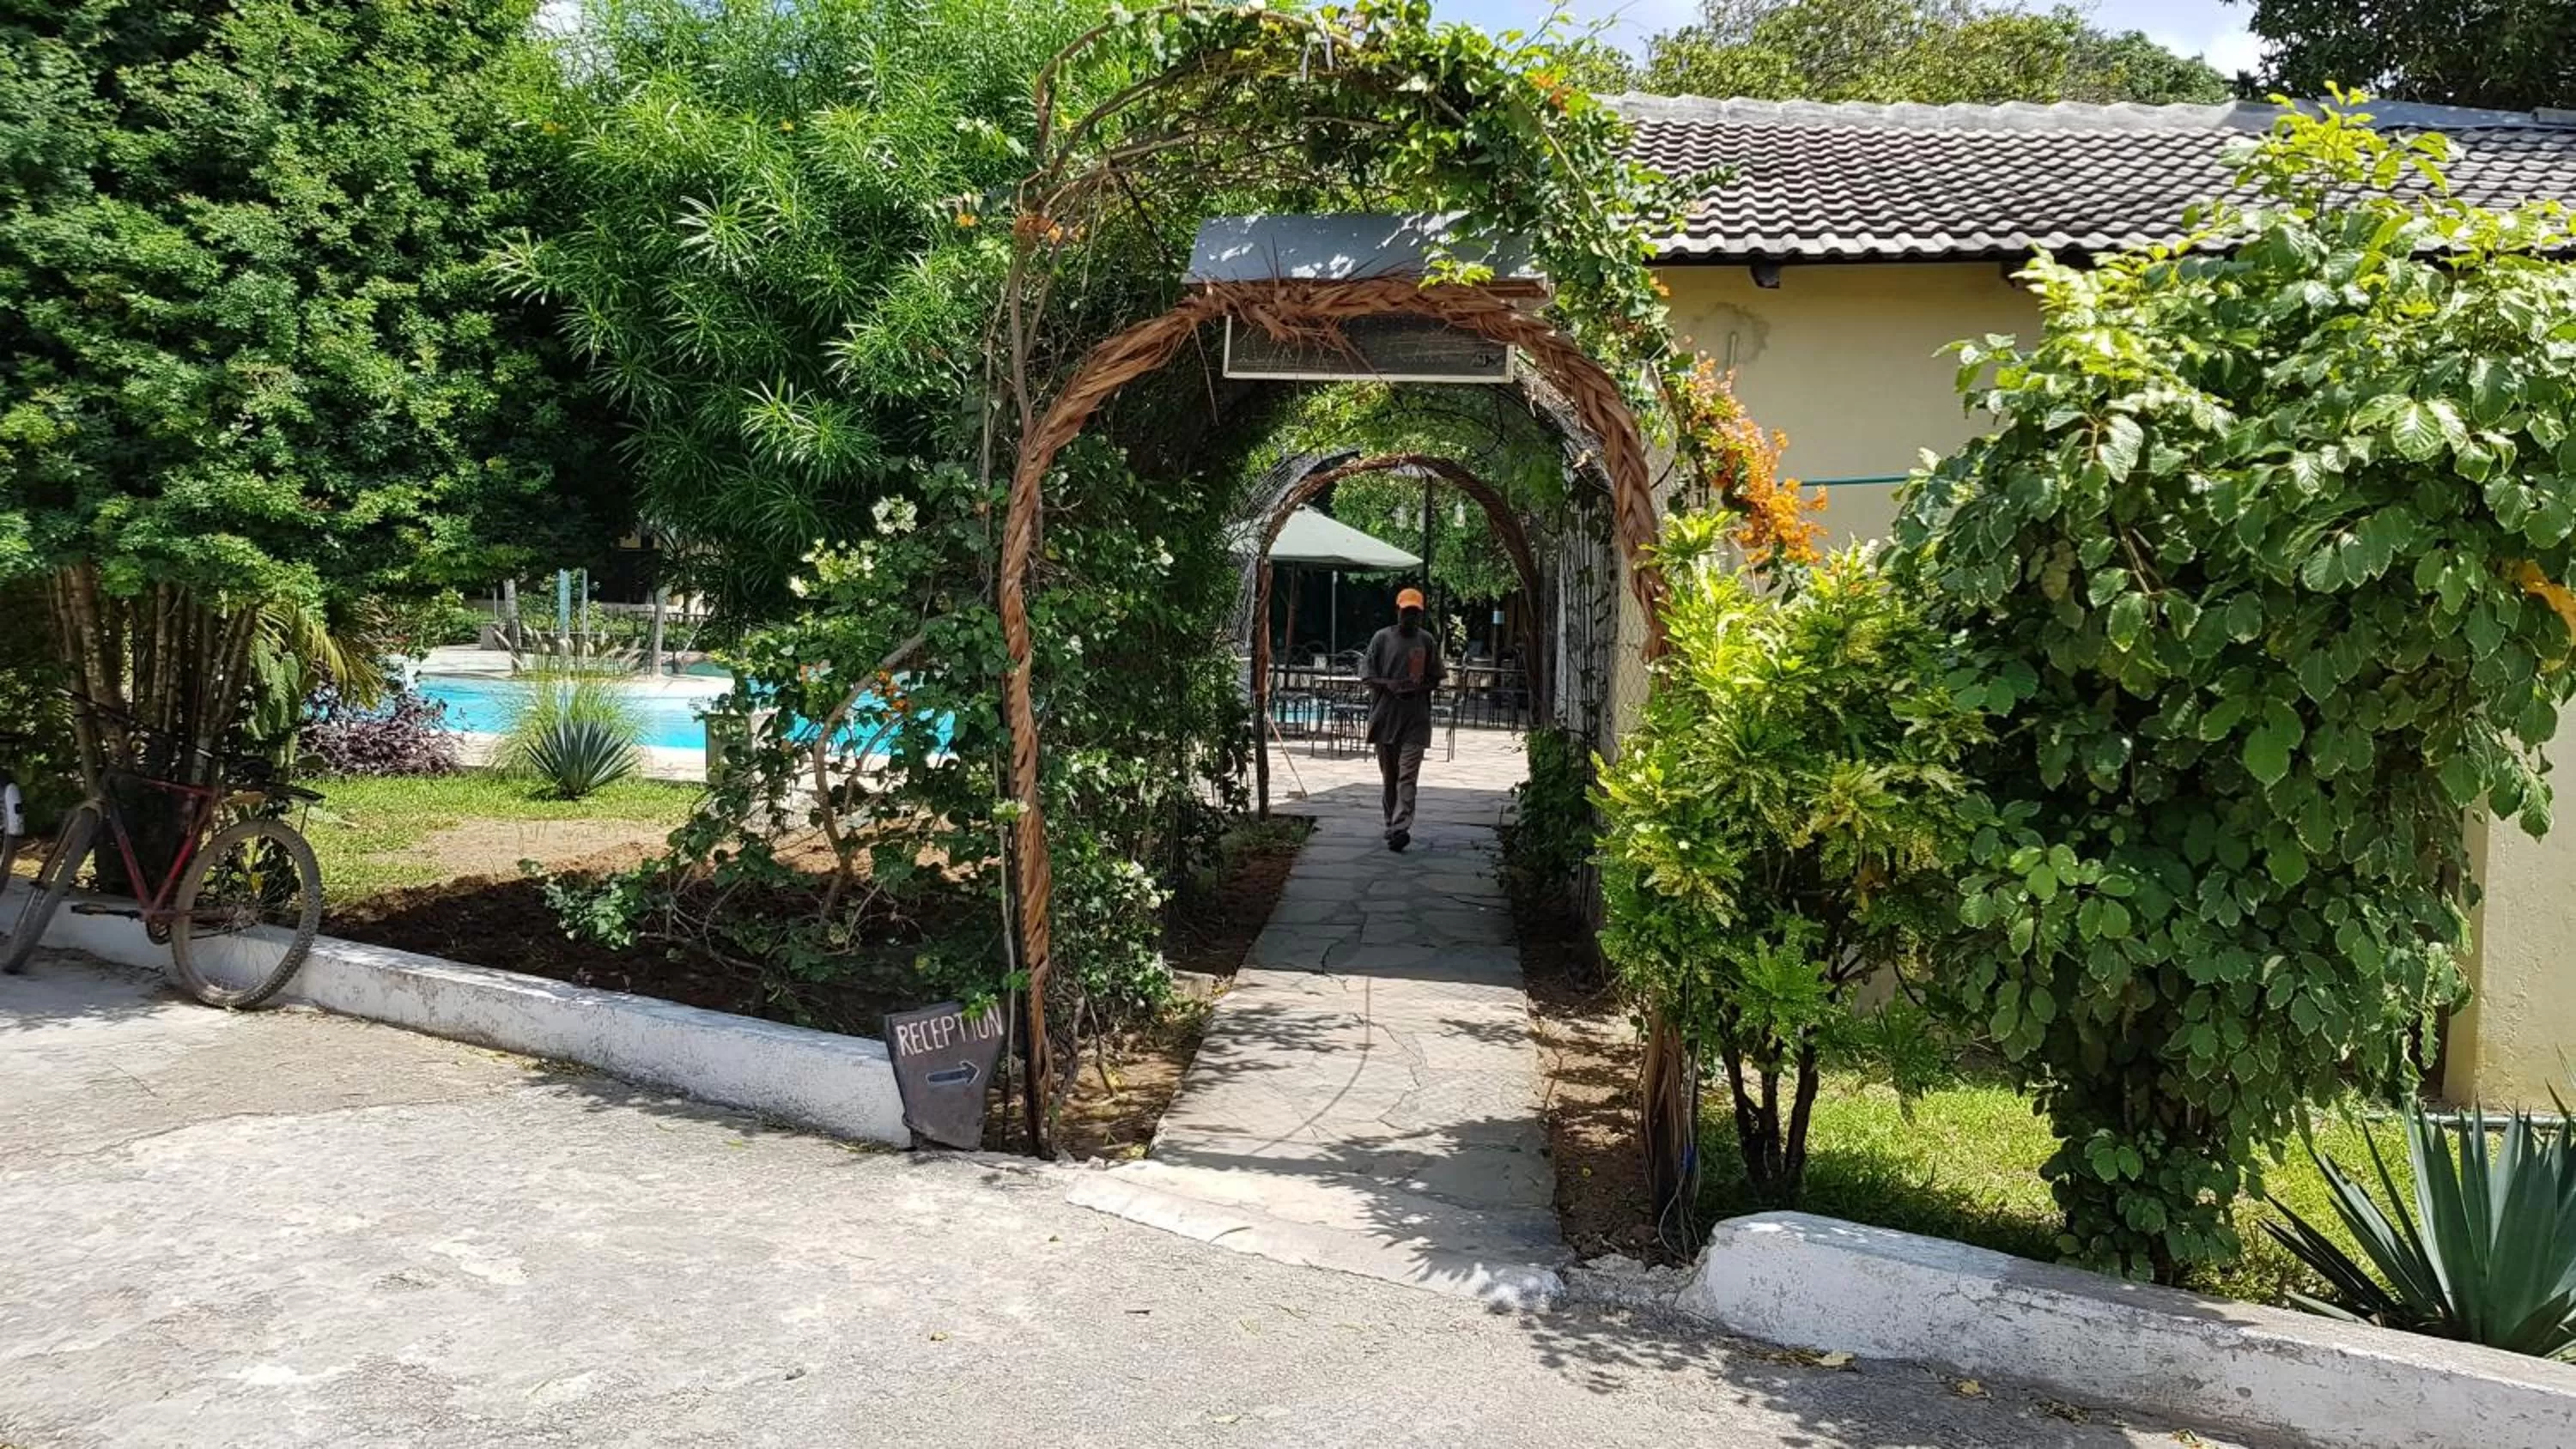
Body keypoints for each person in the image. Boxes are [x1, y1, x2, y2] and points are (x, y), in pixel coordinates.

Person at [1361, 586, 1444, 852]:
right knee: (1390, 778)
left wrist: (1417, 688)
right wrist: (1389, 685)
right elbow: (1367, 676)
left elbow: (1435, 678)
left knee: (1407, 776)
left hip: (1416, 720)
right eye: (1406, 612)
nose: (1410, 617)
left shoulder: (1426, 641)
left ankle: (1400, 827)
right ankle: (1391, 822)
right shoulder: (1382, 639)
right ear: (1397, 611)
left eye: (1414, 613)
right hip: (1386, 718)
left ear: (1420, 615)